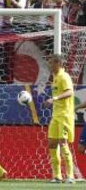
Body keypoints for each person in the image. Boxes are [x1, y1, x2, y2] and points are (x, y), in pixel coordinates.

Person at [43, 54, 75, 183]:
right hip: (55, 115)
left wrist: (54, 99)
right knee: (52, 143)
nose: (49, 65)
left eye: (51, 63)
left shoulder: (64, 76)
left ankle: (70, 176)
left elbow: (70, 92)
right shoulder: (55, 78)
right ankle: (57, 176)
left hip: (64, 115)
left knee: (63, 143)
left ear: (58, 63)